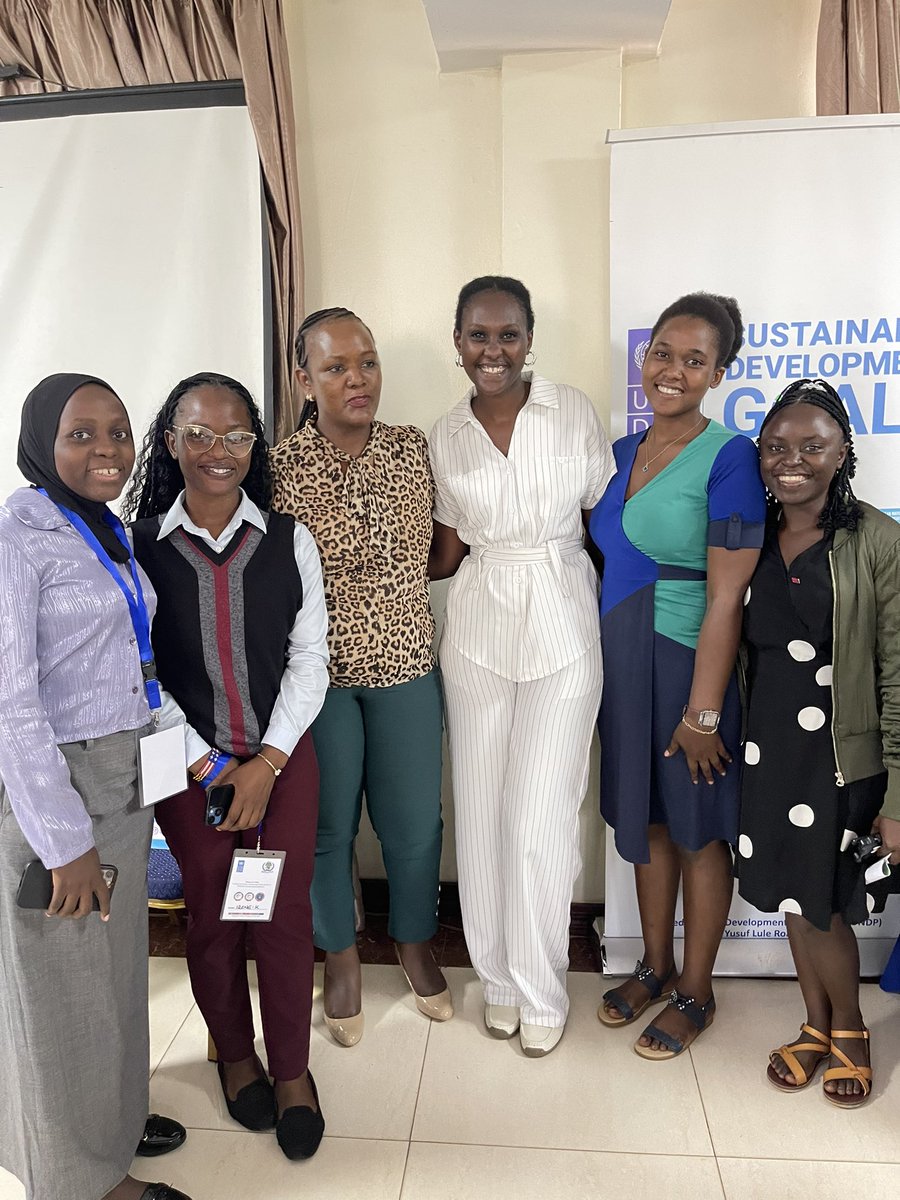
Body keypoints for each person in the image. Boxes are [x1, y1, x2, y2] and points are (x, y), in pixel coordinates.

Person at [125, 372, 329, 1159]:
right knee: (212, 917)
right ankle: (234, 1056)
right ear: (171, 442)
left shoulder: (289, 539)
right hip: (183, 768)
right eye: (199, 434)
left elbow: (310, 659)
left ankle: (291, 1072)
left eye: (236, 435)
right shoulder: (136, 546)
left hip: (281, 760)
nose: (218, 451)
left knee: (281, 915)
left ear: (255, 445)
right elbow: (140, 676)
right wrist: (212, 767)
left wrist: (267, 761)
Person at [0, 374, 192, 1200]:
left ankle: (107, 1120)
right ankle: (81, 1179)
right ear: (44, 441)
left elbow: (128, 663)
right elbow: (10, 702)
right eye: (83, 434)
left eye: (118, 432)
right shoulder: (19, 537)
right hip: (60, 790)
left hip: (119, 774)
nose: (108, 449)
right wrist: (63, 840)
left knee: (110, 971)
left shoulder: (100, 530)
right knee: (60, 985)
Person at [429, 275, 614, 1058]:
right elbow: (445, 544)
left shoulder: (571, 410)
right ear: (459, 342)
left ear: (529, 338)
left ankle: (540, 986)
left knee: (540, 816)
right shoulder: (443, 433)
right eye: (478, 335)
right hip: (476, 623)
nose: (493, 350)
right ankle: (496, 980)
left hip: (565, 621)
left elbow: (607, 525)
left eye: (508, 335)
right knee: (479, 813)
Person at [589, 293, 765, 1059]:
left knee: (697, 832)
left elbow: (729, 592)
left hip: (689, 661)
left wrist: (702, 713)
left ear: (719, 372)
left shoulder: (731, 456)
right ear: (644, 355)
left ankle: (697, 987)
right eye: (663, 352)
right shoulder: (619, 452)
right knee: (649, 822)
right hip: (620, 660)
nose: (673, 370)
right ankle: (654, 965)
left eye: (695, 359)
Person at [269, 309, 449, 1046]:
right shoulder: (277, 468)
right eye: (337, 366)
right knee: (327, 827)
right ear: (303, 379)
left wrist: (394, 600)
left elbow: (446, 550)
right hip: (320, 680)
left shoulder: (414, 450)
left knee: (414, 824)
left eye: (368, 362)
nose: (357, 379)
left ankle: (412, 941)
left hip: (407, 664)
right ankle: (339, 956)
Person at [735, 378, 900, 1107]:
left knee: (826, 904)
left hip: (840, 759)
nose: (789, 459)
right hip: (767, 752)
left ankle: (852, 1031)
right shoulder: (749, 536)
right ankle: (815, 1024)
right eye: (775, 446)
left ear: (842, 455)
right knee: (795, 902)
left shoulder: (877, 539)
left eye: (811, 446)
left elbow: (897, 673)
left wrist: (897, 793)